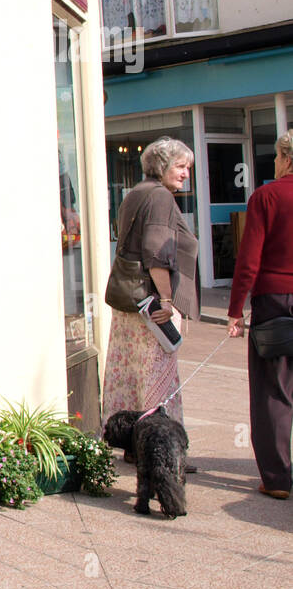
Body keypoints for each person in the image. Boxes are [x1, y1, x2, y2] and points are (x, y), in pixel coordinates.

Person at [104, 137, 199, 423]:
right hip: (152, 305)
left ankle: (134, 440)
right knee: (158, 376)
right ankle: (161, 443)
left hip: (131, 300)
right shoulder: (159, 197)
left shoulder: (136, 192)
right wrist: (168, 301)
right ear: (162, 166)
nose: (185, 173)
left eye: (187, 167)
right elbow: (157, 252)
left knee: (132, 374)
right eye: (180, 166)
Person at [227, 129, 293, 499]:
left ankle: (277, 479)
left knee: (273, 391)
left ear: (285, 158)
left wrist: (235, 310)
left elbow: (248, 260)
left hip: (275, 302)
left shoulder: (266, 197)